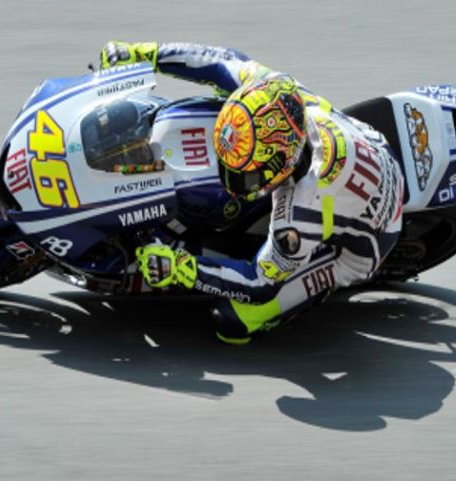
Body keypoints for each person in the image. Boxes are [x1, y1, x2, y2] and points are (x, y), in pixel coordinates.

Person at [101, 41, 404, 344]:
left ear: (281, 164)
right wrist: (146, 54)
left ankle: (315, 286)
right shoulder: (277, 95)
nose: (231, 180)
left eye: (245, 176)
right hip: (370, 146)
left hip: (366, 243)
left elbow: (257, 282)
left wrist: (182, 267)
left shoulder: (299, 215)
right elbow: (220, 61)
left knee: (232, 320)